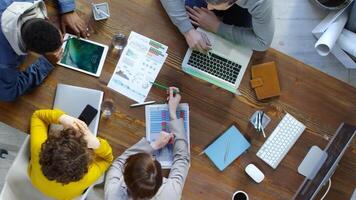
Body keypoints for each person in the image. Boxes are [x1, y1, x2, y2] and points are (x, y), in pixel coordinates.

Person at [105, 87, 190, 200]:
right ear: (160, 182)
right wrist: (173, 114)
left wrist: (154, 145)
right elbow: (182, 159)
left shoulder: (112, 194)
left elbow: (118, 163)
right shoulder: (170, 195)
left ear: (125, 174)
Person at [0, 0, 90, 101]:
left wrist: (68, 10)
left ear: (46, 19)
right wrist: (46, 63)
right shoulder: (4, 64)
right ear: (30, 51)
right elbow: (8, 92)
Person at [29, 109, 113, 199]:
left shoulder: (38, 150)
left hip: (35, 183)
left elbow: (37, 116)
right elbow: (108, 159)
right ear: (86, 165)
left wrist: (61, 117)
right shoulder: (87, 177)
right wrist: (97, 144)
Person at [160, 0, 274, 52]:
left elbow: (262, 42)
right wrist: (187, 30)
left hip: (244, 8)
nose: (208, 8)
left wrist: (217, 26)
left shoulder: (260, 2)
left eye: (213, 5)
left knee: (238, 47)